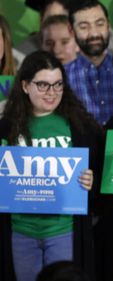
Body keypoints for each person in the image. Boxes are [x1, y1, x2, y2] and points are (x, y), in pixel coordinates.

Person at [0, 50, 102, 281]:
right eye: (43, 85)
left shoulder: (81, 127)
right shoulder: (6, 127)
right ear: (25, 86)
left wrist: (91, 182)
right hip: (20, 230)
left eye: (58, 84)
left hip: (64, 230)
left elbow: (99, 187)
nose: (52, 93)